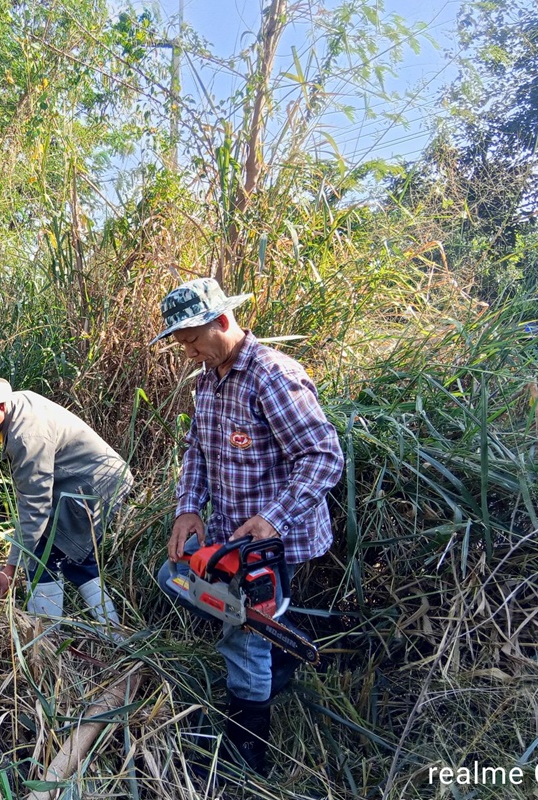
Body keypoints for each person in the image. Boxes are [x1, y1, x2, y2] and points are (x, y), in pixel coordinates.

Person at [151, 278, 343, 775]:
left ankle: (248, 751)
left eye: (192, 338)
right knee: (173, 578)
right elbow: (198, 449)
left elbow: (324, 457)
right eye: (180, 343)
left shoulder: (272, 375)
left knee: (243, 633)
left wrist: (273, 518)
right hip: (228, 531)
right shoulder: (208, 377)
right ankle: (281, 650)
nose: (188, 350)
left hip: (278, 538)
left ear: (221, 320)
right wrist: (188, 508)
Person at [0, 373, 132, 633]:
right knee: (75, 562)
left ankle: (42, 640)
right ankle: (115, 636)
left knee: (41, 558)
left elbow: (35, 506)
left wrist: (11, 566)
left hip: (94, 486)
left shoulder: (26, 436)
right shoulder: (17, 406)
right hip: (87, 483)